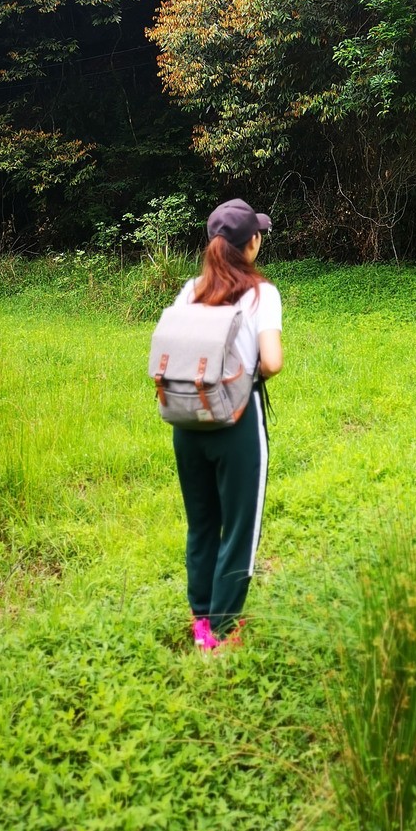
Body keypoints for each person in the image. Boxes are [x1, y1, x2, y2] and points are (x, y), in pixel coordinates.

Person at [166, 198, 283, 650]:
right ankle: (220, 633)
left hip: (187, 420)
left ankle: (201, 625)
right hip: (237, 424)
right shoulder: (261, 294)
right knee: (239, 527)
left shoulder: (189, 289)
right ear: (250, 244)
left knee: (201, 525)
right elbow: (271, 362)